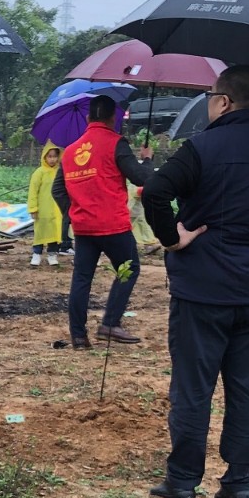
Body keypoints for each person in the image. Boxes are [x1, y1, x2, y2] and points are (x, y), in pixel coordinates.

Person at [140, 65, 249, 498]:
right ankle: (240, 483)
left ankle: (182, 481)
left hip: (203, 289)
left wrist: (171, 237)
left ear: (223, 101)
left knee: (193, 386)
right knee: (246, 385)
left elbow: (156, 192)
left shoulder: (200, 147)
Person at [53, 94, 152, 347]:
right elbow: (140, 178)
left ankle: (78, 335)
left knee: (82, 279)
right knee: (129, 269)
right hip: (113, 225)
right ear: (112, 118)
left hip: (84, 227)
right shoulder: (116, 143)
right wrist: (148, 159)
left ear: (88, 118)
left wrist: (75, 211)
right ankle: (110, 323)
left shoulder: (71, 151)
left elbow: (58, 190)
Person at [26, 143, 63, 266]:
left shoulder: (60, 171)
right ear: (44, 157)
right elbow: (33, 191)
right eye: (50, 156)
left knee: (54, 233)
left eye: (54, 156)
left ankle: (52, 255)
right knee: (40, 232)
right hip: (42, 209)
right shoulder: (39, 172)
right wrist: (33, 208)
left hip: (57, 209)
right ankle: (36, 254)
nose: (52, 159)